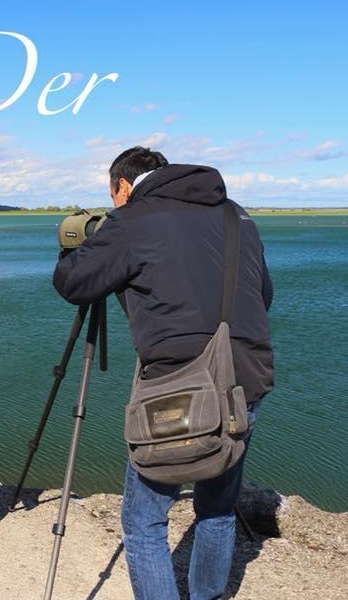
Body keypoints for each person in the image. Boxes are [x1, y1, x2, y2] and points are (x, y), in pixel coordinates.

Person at [53, 146, 274, 600]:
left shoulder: (134, 218)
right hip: (245, 379)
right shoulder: (237, 216)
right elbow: (262, 294)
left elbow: (75, 283)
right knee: (217, 507)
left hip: (180, 387)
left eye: (113, 196)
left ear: (124, 186)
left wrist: (76, 243)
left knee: (144, 521)